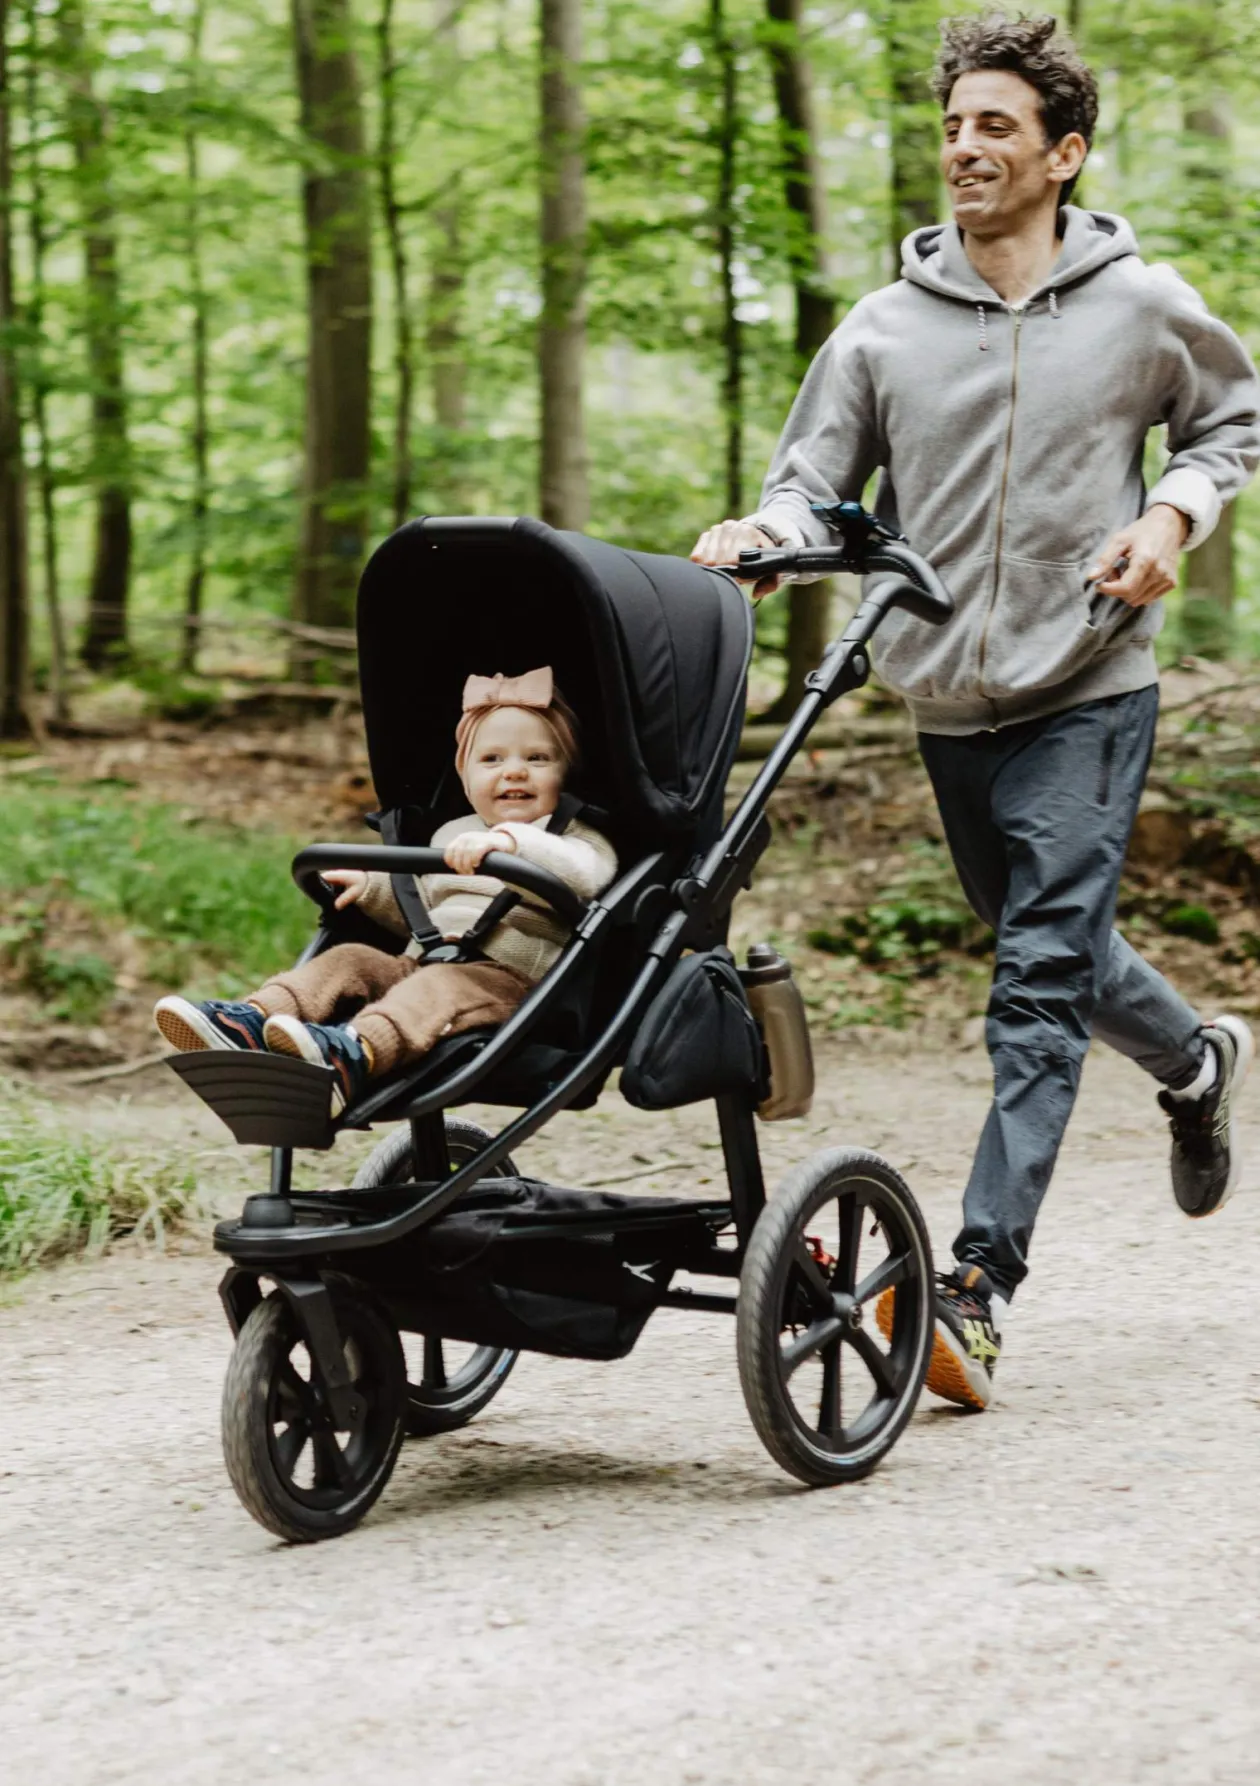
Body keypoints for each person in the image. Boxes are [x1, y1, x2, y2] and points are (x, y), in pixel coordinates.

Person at [691, 11, 1260, 1411]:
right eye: (954, 125)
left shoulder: (1141, 305)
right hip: (945, 693)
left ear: (1065, 154)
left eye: (997, 125)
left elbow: (1232, 422)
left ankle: (978, 1285)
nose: (965, 147)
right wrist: (764, 541)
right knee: (1037, 937)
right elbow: (811, 486)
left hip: (1091, 681)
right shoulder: (885, 327)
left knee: (1039, 979)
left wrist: (1172, 517)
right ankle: (1196, 1060)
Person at [154, 668, 617, 1114]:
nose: (514, 772)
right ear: (464, 774)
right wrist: (372, 888)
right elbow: (422, 905)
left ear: (566, 772)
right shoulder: (451, 833)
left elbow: (583, 876)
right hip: (425, 961)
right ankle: (252, 1022)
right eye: (492, 759)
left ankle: (354, 1054)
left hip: (515, 986)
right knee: (351, 959)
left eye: (537, 759)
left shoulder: (577, 838)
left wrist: (514, 843)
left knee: (438, 987)